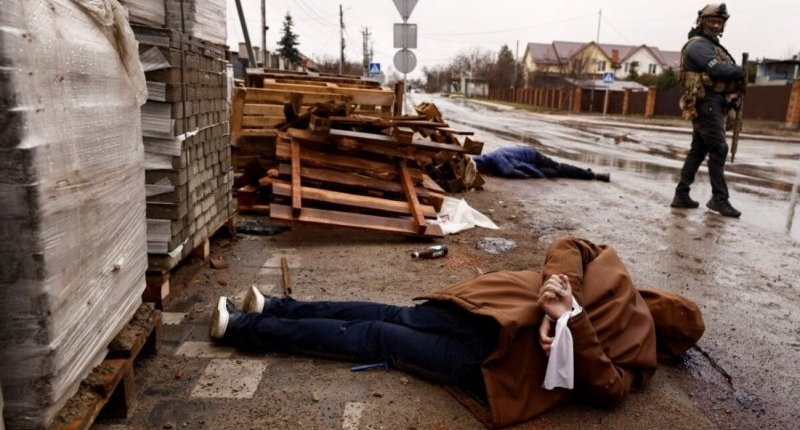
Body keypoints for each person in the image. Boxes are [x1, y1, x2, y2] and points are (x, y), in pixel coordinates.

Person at [209, 236, 705, 429]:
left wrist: (566, 308)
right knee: (379, 333)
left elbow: (569, 245)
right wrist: (564, 308)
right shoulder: (637, 335)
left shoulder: (617, 276)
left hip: (484, 320)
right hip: (490, 354)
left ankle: (271, 307)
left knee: (386, 317)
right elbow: (609, 390)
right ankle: (246, 326)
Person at [671, 3, 746, 217]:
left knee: (698, 150)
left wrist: (732, 98)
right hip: (705, 102)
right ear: (702, 22)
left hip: (713, 101)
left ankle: (681, 194)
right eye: (712, 21)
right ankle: (719, 199)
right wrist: (739, 71)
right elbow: (716, 69)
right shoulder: (698, 45)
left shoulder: (712, 45)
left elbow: (721, 76)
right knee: (719, 148)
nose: (715, 25)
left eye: (719, 22)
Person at [471, 146, 611, 182]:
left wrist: (525, 176)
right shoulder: (491, 159)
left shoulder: (495, 157)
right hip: (531, 164)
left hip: (534, 157)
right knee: (557, 172)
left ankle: (593, 174)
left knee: (559, 167)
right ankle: (584, 173)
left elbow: (508, 171)